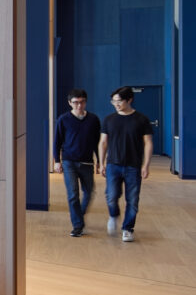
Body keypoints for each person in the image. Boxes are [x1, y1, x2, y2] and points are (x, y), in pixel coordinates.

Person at [98, 86, 153, 242]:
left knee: (133, 199)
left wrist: (146, 165)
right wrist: (101, 163)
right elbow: (103, 142)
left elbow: (148, 142)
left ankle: (127, 228)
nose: (116, 104)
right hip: (113, 165)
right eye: (113, 101)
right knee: (111, 196)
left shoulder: (141, 119)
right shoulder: (109, 119)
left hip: (133, 166)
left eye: (119, 101)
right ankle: (113, 215)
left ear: (130, 100)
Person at [53, 88, 101, 236]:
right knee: (73, 195)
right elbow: (57, 141)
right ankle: (78, 225)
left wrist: (100, 161)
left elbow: (97, 142)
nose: (79, 106)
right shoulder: (63, 119)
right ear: (70, 103)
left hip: (87, 163)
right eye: (75, 103)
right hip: (69, 162)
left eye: (82, 102)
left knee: (88, 193)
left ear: (85, 102)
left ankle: (78, 216)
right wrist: (57, 161)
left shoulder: (93, 119)